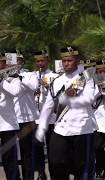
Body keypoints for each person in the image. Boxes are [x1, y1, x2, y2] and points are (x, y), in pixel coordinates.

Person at [35, 46, 96, 180]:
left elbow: (89, 99)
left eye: (69, 60)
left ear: (77, 61)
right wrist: (41, 126)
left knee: (82, 169)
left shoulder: (86, 78)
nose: (66, 63)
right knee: (56, 163)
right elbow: (49, 105)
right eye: (64, 61)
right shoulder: (57, 81)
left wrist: (70, 101)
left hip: (81, 129)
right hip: (61, 129)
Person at [33, 50, 59, 179]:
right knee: (37, 147)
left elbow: (58, 96)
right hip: (37, 118)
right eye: (38, 61)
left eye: (42, 61)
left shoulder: (54, 76)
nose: (40, 63)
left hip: (50, 119)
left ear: (47, 61)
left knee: (51, 148)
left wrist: (48, 87)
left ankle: (54, 173)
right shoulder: (32, 75)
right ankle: (41, 172)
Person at [13, 51, 39, 180]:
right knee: (11, 154)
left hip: (26, 118)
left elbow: (34, 86)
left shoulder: (29, 74)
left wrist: (19, 78)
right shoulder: (4, 76)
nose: (15, 63)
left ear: (22, 61)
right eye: (13, 60)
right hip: (10, 120)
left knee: (27, 152)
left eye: (18, 60)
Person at [0, 54, 22, 180]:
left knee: (10, 159)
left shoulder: (13, 79)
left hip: (7, 124)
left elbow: (15, 92)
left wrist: (2, 81)